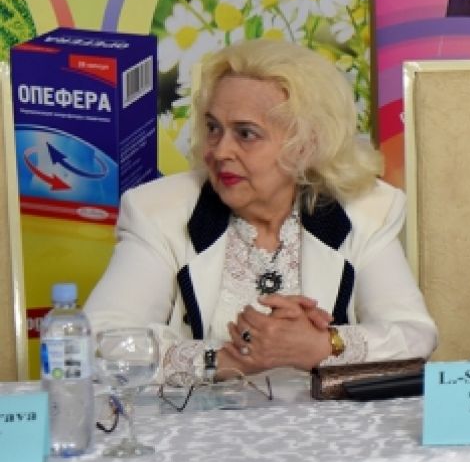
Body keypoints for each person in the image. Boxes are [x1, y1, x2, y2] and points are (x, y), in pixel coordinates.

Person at [86, 41, 437, 382]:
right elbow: (96, 344)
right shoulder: (157, 211)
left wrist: (320, 345)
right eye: (213, 128)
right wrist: (230, 358)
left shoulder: (366, 210)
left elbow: (415, 336)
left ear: (306, 145)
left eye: (246, 134)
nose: (220, 151)